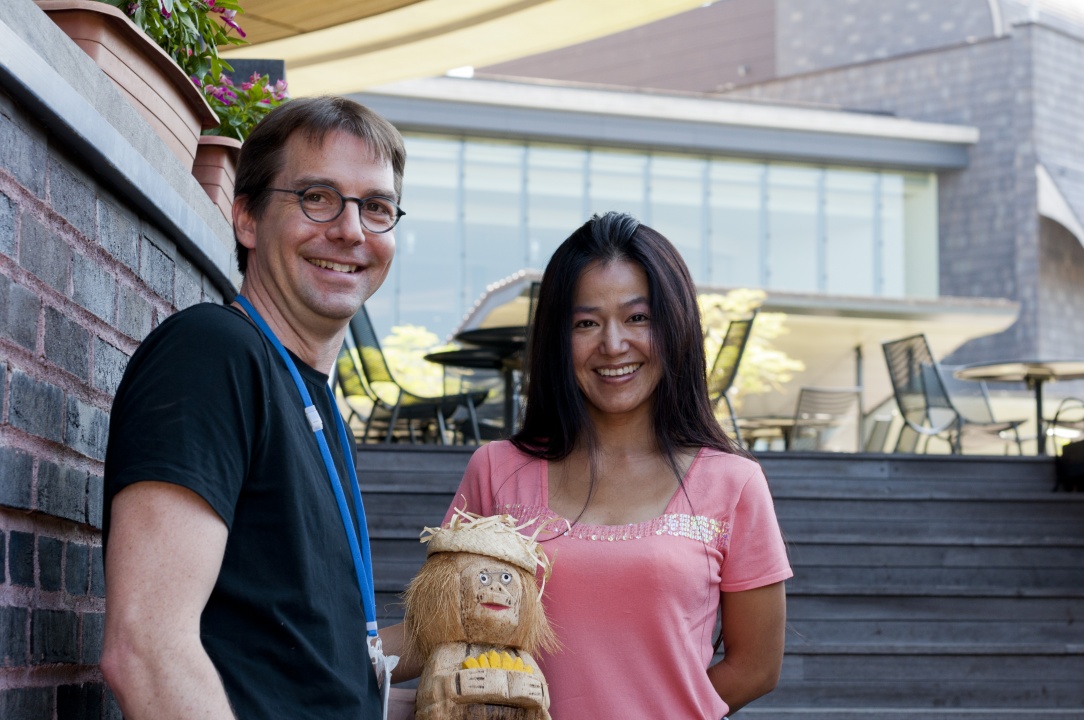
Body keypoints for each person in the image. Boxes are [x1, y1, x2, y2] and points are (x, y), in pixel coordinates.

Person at [100, 96, 406, 720]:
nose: (351, 230)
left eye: (376, 207)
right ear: (246, 218)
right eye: (317, 197)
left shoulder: (310, 399)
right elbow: (146, 650)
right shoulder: (213, 352)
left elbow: (308, 673)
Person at [441, 212, 792, 719]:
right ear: (558, 338)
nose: (612, 344)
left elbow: (756, 666)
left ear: (675, 326)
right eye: (585, 323)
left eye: (638, 318)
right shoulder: (496, 470)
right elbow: (442, 625)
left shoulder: (734, 483)